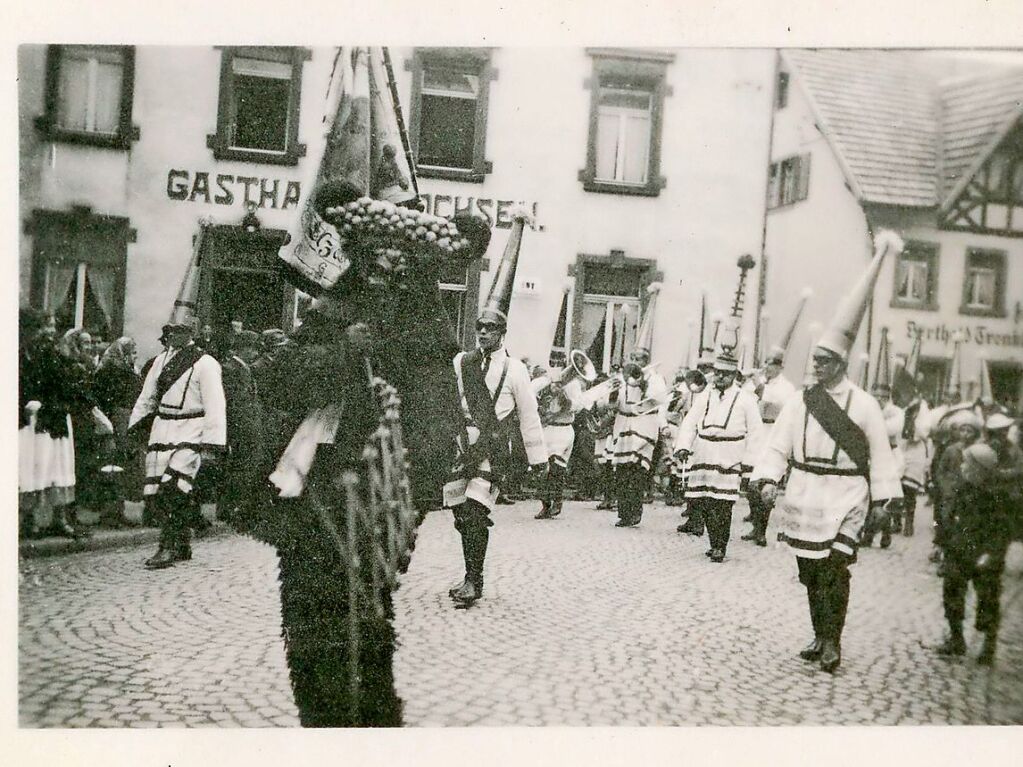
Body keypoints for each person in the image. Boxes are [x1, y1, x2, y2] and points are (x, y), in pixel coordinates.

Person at [751, 231, 904, 673]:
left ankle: (833, 641)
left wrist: (883, 501)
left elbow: (878, 455)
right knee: (809, 572)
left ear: (841, 363)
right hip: (804, 493)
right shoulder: (802, 400)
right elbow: (778, 444)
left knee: (835, 570)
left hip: (845, 497)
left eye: (824, 361)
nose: (816, 365)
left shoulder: (865, 405)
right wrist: (764, 478)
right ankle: (818, 634)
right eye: (814, 360)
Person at [444, 210, 547, 608]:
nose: (482, 333)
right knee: (459, 514)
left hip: (492, 448)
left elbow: (529, 416)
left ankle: (474, 579)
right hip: (461, 444)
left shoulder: (516, 370)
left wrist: (539, 461)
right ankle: (471, 572)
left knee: (473, 511)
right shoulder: (462, 363)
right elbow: (452, 401)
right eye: (479, 327)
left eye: (489, 328)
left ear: (502, 332)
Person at [129, 304, 227, 569]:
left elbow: (216, 405)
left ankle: (167, 546)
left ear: (191, 332)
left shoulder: (206, 364)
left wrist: (212, 445)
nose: (174, 335)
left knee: (175, 488)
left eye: (180, 330)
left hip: (192, 429)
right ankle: (182, 543)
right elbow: (147, 397)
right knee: (166, 490)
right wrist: (135, 427)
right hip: (163, 428)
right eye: (170, 331)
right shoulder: (160, 361)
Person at [675, 348, 763, 562]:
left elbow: (756, 432)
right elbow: (689, 422)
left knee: (722, 504)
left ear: (734, 376)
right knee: (704, 500)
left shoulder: (746, 399)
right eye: (718, 372)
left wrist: (750, 464)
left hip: (730, 453)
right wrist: (684, 445)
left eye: (725, 374)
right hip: (704, 452)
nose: (720, 377)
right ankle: (714, 542)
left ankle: (719, 546)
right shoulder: (705, 395)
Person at [934, 443, 1011, 666]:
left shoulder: (999, 495)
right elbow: (946, 515)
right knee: (952, 591)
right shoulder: (961, 487)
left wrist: (992, 554)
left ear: (980, 468)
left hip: (985, 553)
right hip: (959, 549)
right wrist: (941, 542)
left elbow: (1004, 529)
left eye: (967, 463)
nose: (963, 466)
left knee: (988, 597)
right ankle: (956, 639)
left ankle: (989, 645)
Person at [19, 310, 94, 539]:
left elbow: (66, 384)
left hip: (56, 418)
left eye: (52, 326)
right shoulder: (22, 354)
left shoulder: (56, 354)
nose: (50, 331)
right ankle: (28, 519)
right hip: (31, 420)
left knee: (58, 467)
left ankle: (59, 518)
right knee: (32, 468)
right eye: (45, 326)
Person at [610, 285, 667, 528]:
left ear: (647, 361)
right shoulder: (623, 376)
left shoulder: (654, 377)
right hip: (623, 427)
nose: (635, 362)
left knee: (636, 471)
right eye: (633, 358)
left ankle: (635, 512)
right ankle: (624, 513)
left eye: (640, 359)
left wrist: (642, 381)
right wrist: (613, 390)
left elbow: (657, 399)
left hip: (643, 428)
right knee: (622, 472)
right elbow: (611, 404)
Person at [742, 348, 796, 545]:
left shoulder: (786, 387)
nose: (768, 368)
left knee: (767, 486)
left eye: (772, 365)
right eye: (766, 364)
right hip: (757, 434)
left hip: (774, 434)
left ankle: (761, 532)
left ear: (780, 367)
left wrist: (759, 387)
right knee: (751, 487)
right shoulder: (757, 383)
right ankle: (756, 526)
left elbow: (778, 404)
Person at [91, 336, 143, 526]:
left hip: (126, 421)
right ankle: (109, 512)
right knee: (113, 465)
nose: (135, 357)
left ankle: (118, 510)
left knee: (122, 465)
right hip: (116, 421)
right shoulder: (112, 370)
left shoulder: (128, 369)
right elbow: (107, 398)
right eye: (132, 353)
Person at [535, 367, 584, 519]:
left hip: (563, 429)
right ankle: (545, 505)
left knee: (557, 467)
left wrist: (563, 395)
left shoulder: (574, 385)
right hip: (548, 428)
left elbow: (578, 406)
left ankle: (557, 501)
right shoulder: (547, 380)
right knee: (543, 469)